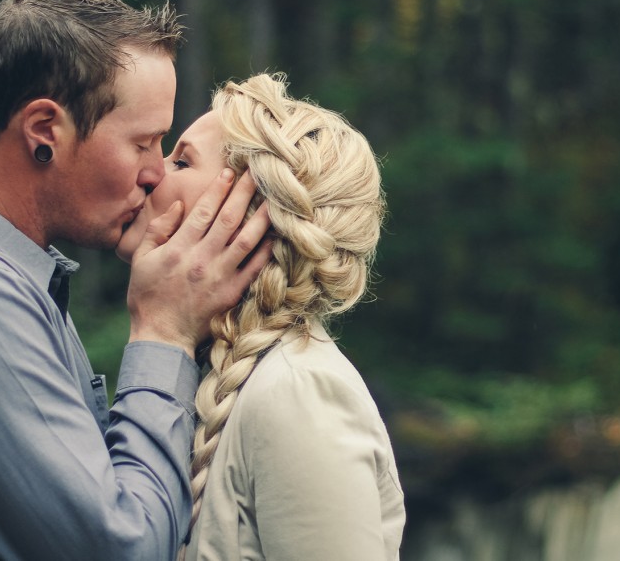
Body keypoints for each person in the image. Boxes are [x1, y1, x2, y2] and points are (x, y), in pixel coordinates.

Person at [0, 0, 271, 560]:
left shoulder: (0, 275)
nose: (155, 173)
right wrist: (163, 332)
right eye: (144, 143)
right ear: (45, 130)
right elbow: (120, 550)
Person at [116, 73, 406, 560]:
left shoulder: (298, 392)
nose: (151, 172)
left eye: (181, 160)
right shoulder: (203, 371)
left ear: (251, 213)